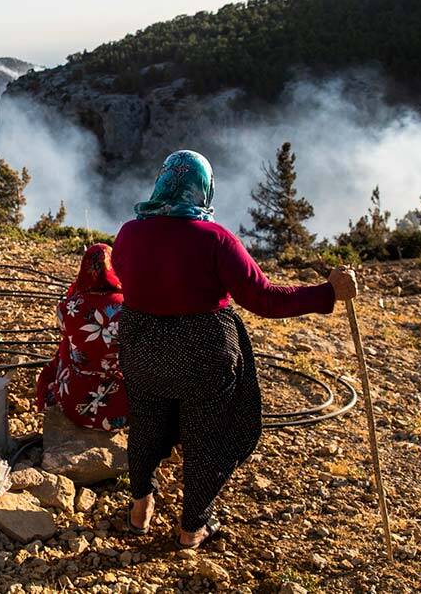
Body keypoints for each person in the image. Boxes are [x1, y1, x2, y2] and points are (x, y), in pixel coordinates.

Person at [111, 150, 358, 549]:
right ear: (204, 187)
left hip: (143, 348)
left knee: (146, 425)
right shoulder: (216, 240)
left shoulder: (128, 233)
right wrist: (327, 292)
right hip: (204, 355)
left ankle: (140, 508)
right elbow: (265, 300)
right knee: (207, 437)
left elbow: (125, 277)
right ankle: (192, 528)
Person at [35, 243, 129, 429]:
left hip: (73, 403)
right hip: (121, 408)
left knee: (67, 344)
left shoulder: (67, 308)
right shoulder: (129, 307)